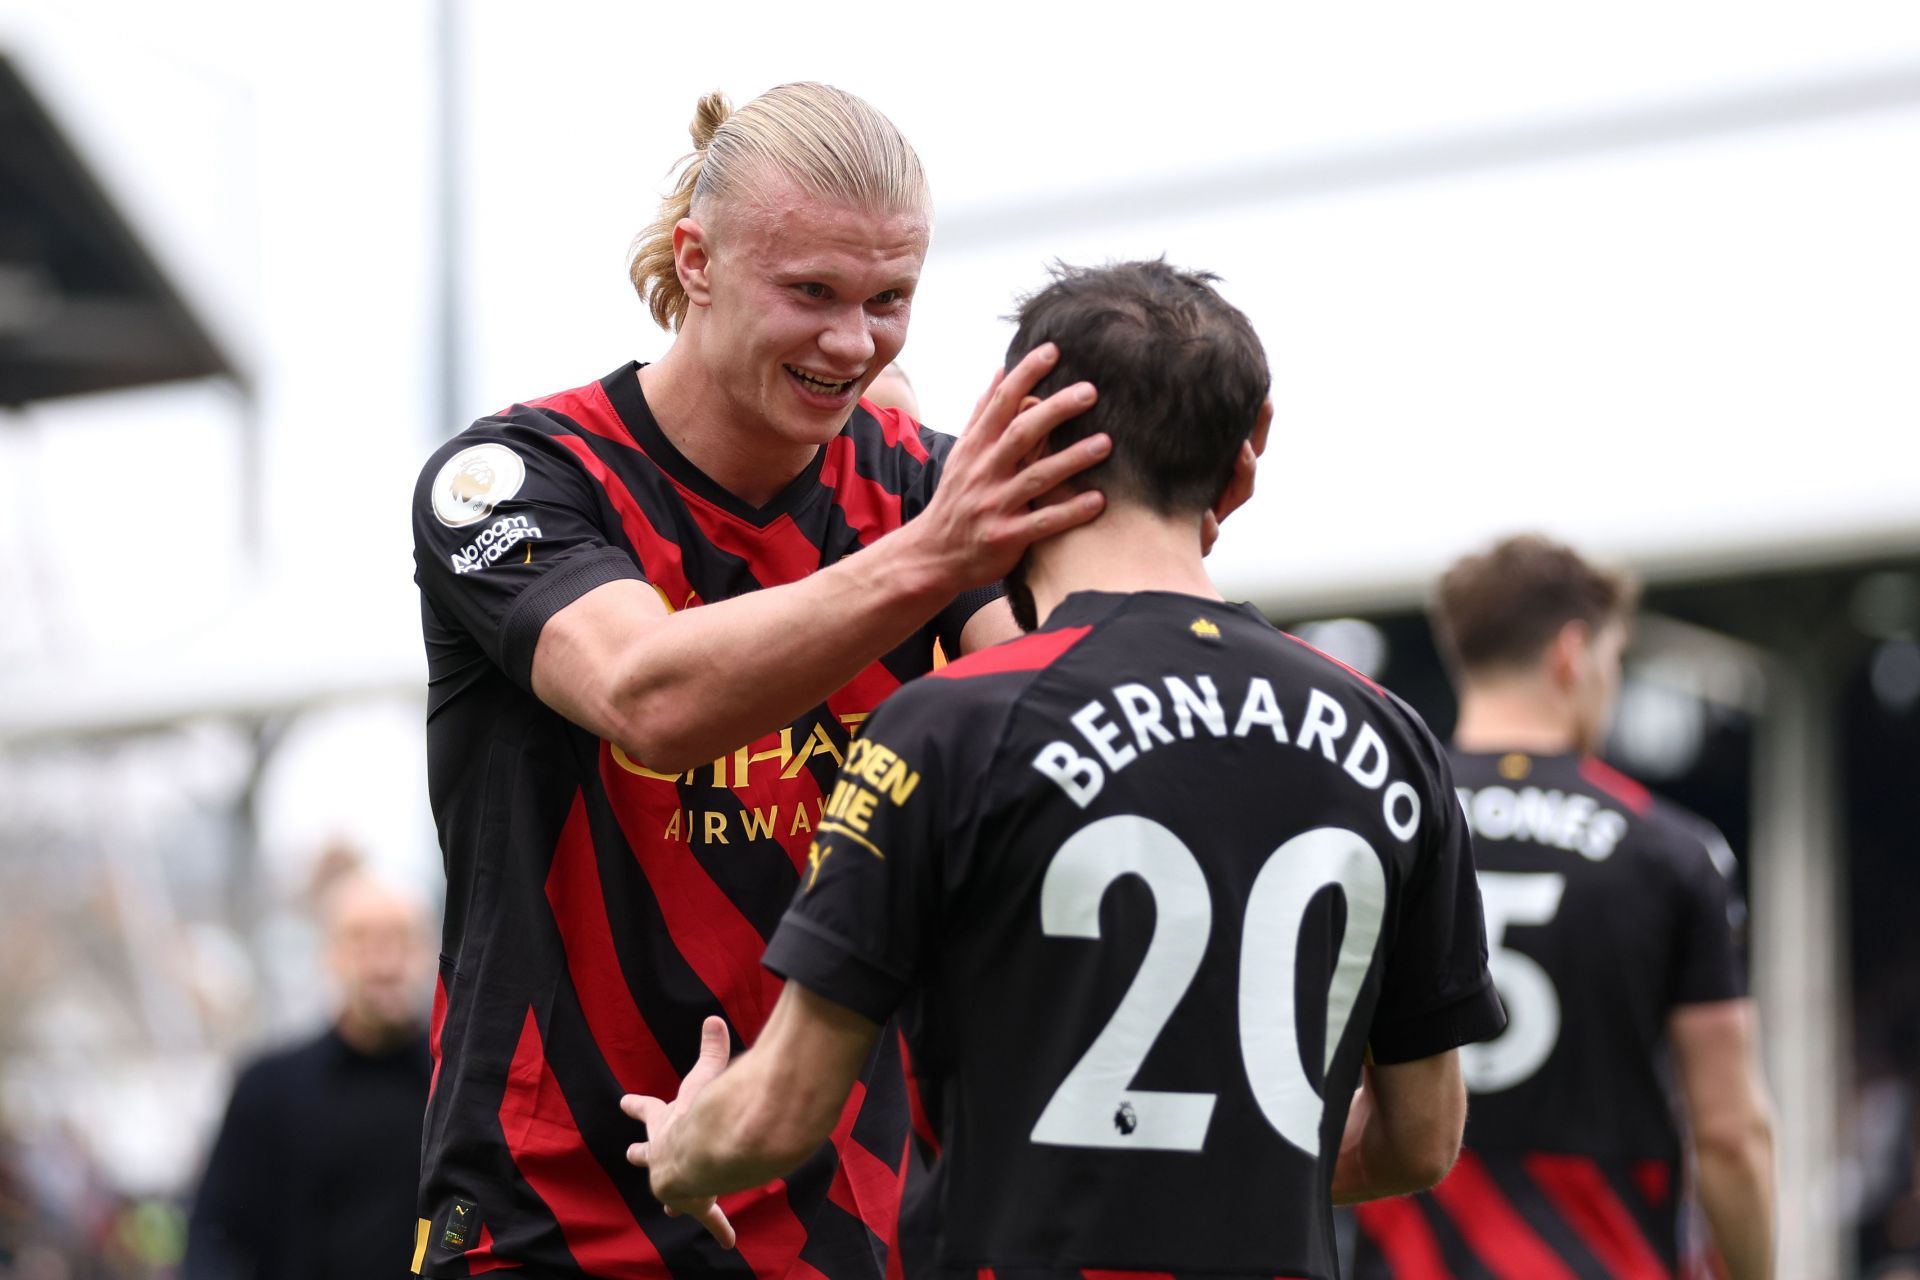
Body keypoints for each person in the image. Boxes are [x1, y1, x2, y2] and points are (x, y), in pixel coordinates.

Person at [624, 259, 1508, 1277]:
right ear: (1246, 458)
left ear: (1021, 442)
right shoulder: (1392, 738)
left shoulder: (949, 725)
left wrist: (684, 1151)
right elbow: (1421, 1138)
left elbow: (782, 1109)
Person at [408, 83, 1110, 1278]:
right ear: (697, 259)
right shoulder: (512, 476)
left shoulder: (925, 486)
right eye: (813, 295)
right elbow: (650, 698)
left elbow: (1062, 740)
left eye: (891, 300)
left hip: (839, 1197)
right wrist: (936, 550)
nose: (854, 344)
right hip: (551, 1196)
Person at [1350, 534, 1776, 1280]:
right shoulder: (1673, 851)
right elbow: (1731, 1134)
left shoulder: (1381, 826)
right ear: (1572, 654)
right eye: (1614, 662)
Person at [185, 873, 434, 1280]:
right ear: (330, 955)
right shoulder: (266, 1090)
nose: (385, 963)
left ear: (430, 952)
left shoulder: (464, 1094)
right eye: (362, 941)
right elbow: (214, 1236)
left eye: (402, 940)